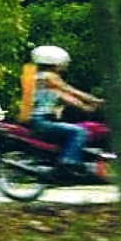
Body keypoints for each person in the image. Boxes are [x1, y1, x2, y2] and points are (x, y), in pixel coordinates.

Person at [28, 45, 104, 176]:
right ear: (55, 61)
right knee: (80, 132)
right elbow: (69, 89)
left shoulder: (40, 78)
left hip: (39, 120)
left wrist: (86, 107)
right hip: (42, 121)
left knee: (74, 130)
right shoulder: (48, 76)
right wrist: (95, 100)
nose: (64, 66)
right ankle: (68, 162)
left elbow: (65, 97)